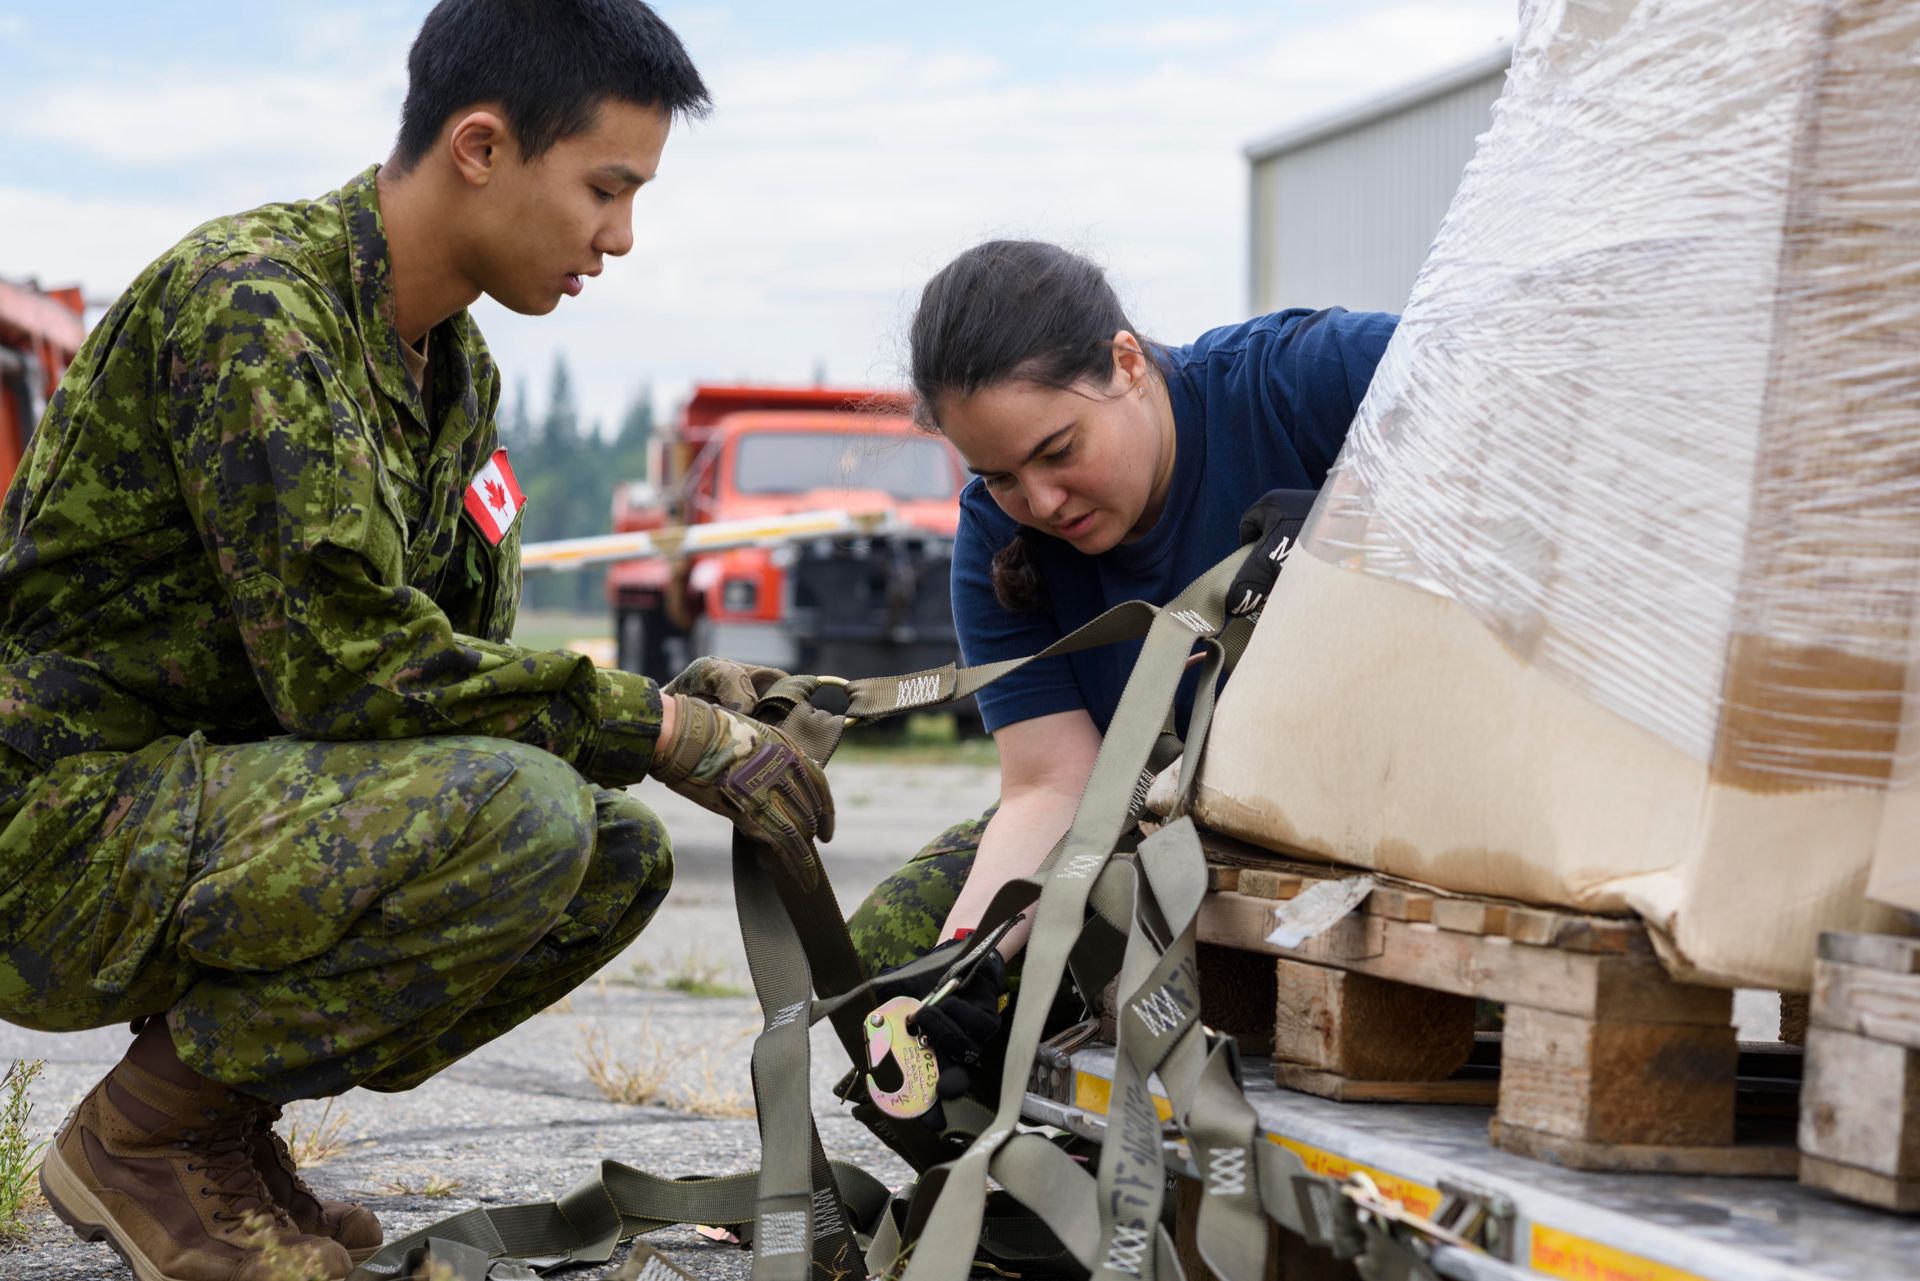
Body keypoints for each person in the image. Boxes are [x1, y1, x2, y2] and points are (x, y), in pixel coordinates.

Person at [0, 5, 833, 1279]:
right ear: (483, 147)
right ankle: (142, 1141)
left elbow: (456, 675)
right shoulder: (254, 309)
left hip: (197, 811)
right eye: (606, 188)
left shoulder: (457, 374)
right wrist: (659, 728)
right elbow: (352, 671)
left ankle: (209, 1124)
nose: (621, 236)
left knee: (609, 854)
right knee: (531, 815)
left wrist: (671, 701)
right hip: (52, 832)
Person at [849, 239, 1397, 1099]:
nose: (1042, 503)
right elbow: (1051, 786)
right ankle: (1033, 1210)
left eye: (1059, 450)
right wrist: (967, 961)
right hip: (1172, 826)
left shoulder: (1301, 380)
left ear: (1127, 362)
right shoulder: (999, 538)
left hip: (1391, 810)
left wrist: (1370, 525)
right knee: (890, 972)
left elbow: (1528, 397)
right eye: (999, 476)